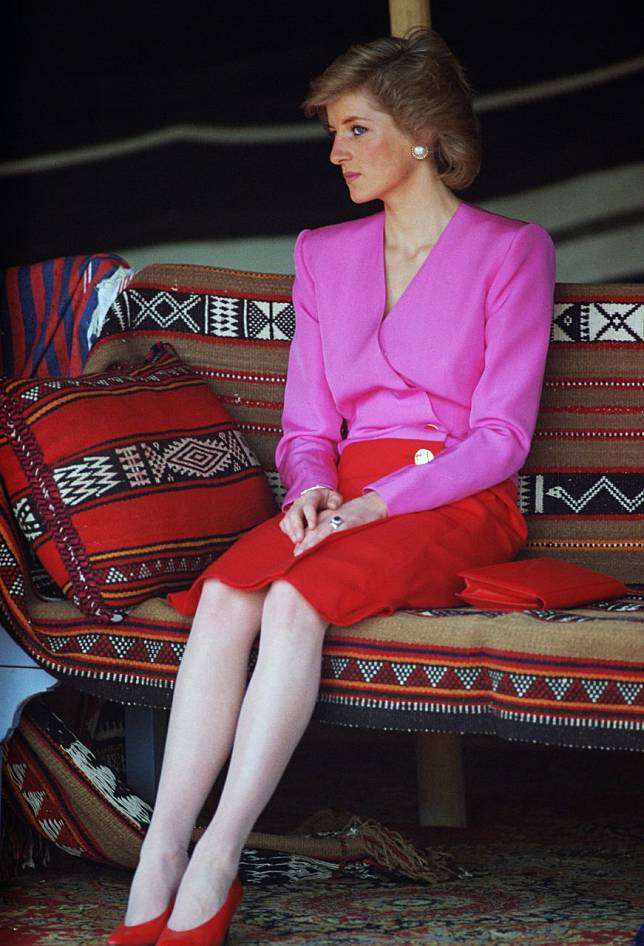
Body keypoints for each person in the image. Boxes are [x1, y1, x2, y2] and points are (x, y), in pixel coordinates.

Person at [107, 28, 555, 946]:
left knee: (295, 601)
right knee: (231, 593)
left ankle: (219, 855)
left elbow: (502, 438)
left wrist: (376, 504)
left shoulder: (513, 251)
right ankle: (161, 852)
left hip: (453, 499)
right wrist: (309, 489)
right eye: (335, 131)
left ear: (422, 133)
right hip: (343, 489)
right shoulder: (323, 254)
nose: (335, 151)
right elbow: (308, 427)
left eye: (355, 129)